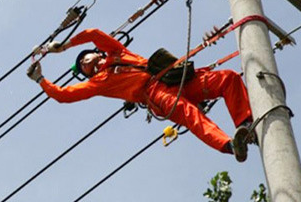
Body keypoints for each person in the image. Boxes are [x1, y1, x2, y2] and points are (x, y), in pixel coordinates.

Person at [27, 28, 255, 162]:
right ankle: (230, 145)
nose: (85, 62)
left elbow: (94, 33)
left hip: (172, 77)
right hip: (154, 93)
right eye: (82, 66)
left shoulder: (118, 53)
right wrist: (41, 80)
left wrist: (64, 46)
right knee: (189, 113)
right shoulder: (99, 83)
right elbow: (63, 95)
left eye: (84, 57)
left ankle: (246, 124)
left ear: (95, 53)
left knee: (227, 77)